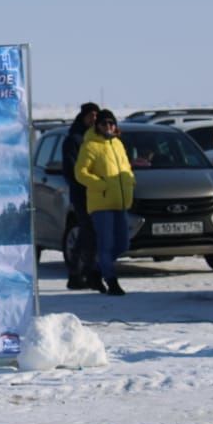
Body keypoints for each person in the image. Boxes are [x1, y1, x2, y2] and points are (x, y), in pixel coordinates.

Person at [74, 109, 135, 295]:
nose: (108, 127)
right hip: (101, 203)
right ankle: (111, 281)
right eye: (104, 123)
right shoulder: (90, 146)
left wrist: (130, 180)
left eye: (111, 123)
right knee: (106, 244)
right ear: (97, 126)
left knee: (123, 244)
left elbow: (126, 167)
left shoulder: (117, 144)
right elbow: (80, 172)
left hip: (120, 202)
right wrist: (100, 185)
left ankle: (96, 271)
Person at [62, 102, 100, 290]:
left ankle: (88, 272)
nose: (93, 119)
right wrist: (86, 183)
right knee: (86, 232)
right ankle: (76, 273)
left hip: (99, 194)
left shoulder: (95, 138)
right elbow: (71, 169)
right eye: (90, 116)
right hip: (82, 194)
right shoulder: (74, 139)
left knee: (92, 235)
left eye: (96, 116)